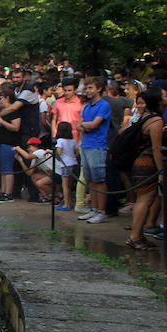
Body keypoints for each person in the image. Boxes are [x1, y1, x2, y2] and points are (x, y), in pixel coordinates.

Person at [126, 91, 164, 249]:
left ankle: (138, 235)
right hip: (147, 164)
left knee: (142, 199)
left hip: (138, 163)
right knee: (145, 200)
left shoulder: (142, 118)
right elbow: (156, 148)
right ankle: (135, 237)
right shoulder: (155, 121)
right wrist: (161, 171)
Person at [77, 76, 112, 224]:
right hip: (86, 144)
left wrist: (86, 125)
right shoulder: (86, 107)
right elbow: (79, 125)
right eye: (86, 88)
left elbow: (93, 125)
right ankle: (94, 209)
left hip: (97, 146)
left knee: (99, 179)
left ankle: (101, 211)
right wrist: (86, 125)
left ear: (99, 89)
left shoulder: (104, 105)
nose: (87, 91)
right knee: (90, 180)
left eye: (90, 88)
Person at [0, 87, 22, 203]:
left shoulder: (13, 112)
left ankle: (8, 193)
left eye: (1, 98)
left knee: (7, 169)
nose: (0, 100)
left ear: (7, 98)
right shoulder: (2, 110)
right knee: (3, 169)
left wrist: (1, 121)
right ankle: (3, 191)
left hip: (9, 143)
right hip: (0, 142)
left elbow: (15, 127)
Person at [14, 137, 55, 202]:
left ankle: (57, 195)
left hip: (57, 174)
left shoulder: (40, 151)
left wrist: (18, 148)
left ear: (36, 146)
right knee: (34, 176)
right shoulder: (35, 157)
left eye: (29, 147)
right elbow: (29, 173)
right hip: (51, 174)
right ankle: (47, 197)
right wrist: (21, 161)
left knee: (40, 183)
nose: (28, 149)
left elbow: (28, 157)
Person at [54, 122, 79, 211]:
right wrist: (73, 157)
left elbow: (59, 152)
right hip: (73, 163)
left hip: (65, 164)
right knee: (70, 185)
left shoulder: (60, 141)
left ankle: (66, 204)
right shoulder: (73, 141)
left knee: (65, 185)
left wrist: (51, 151)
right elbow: (77, 152)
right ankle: (70, 202)